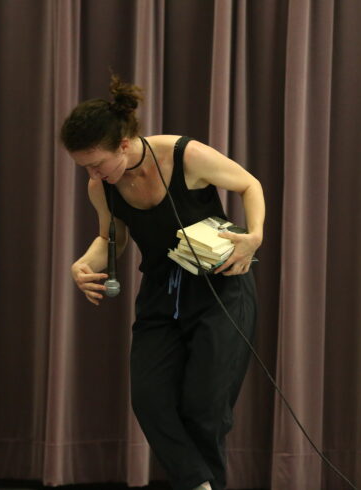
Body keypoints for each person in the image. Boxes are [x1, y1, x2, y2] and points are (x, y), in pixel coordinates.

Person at [60, 76, 265, 490]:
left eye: (96, 163)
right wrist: (82, 263)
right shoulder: (101, 186)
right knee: (150, 399)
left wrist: (254, 236)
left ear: (123, 144)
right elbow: (108, 238)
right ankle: (199, 485)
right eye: (84, 166)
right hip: (160, 295)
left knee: (205, 406)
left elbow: (249, 184)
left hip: (219, 290)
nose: (92, 173)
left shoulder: (184, 155)